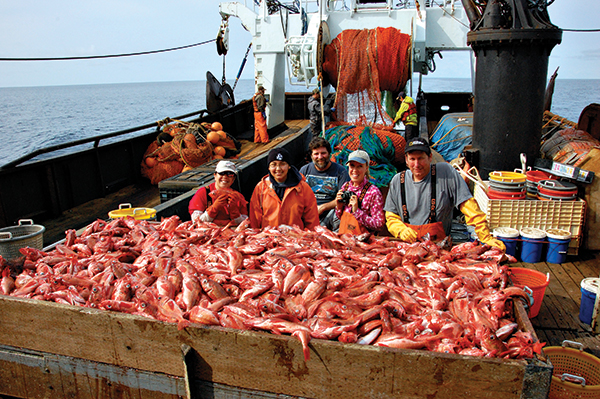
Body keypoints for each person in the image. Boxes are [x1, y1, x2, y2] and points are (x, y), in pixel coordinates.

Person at [384, 137, 505, 249]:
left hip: (440, 248)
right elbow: (391, 217)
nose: (416, 164)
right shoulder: (397, 181)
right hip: (408, 248)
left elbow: (468, 205)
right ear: (406, 160)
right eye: (412, 159)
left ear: (430, 157)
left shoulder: (446, 173)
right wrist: (400, 230)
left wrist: (485, 236)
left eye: (421, 158)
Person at [249, 147, 320, 230]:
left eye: (282, 164)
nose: (278, 169)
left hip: (296, 239)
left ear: (289, 166)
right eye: (273, 164)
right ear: (268, 167)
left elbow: (312, 220)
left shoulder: (303, 188)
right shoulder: (260, 188)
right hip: (268, 239)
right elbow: (255, 220)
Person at [299, 137, 350, 232]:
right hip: (309, 213)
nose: (320, 157)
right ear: (311, 155)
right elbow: (298, 196)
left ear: (329, 154)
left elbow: (343, 199)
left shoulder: (340, 171)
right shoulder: (304, 170)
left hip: (331, 213)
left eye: (323, 153)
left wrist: (322, 207)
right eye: (316, 154)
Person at [335, 150, 385, 235]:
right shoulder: (345, 186)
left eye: (359, 166)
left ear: (366, 168)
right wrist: (338, 207)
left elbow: (379, 224)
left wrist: (357, 212)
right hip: (345, 238)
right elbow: (340, 217)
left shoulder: (373, 192)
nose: (355, 170)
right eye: (352, 166)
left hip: (363, 243)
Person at [188, 160, 248, 226]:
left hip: (231, 233)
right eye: (221, 173)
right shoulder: (203, 192)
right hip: (208, 233)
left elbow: (245, 223)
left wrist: (235, 212)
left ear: (233, 179)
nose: (225, 177)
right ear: (215, 175)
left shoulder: (238, 196)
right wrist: (214, 208)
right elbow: (196, 221)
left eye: (230, 174)